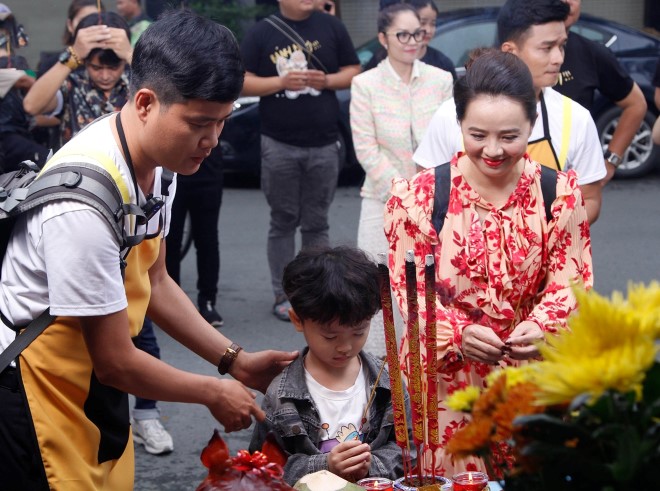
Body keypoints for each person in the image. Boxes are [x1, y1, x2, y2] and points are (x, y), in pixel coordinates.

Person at [0, 9, 297, 490]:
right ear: (144, 102)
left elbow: (155, 282)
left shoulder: (161, 160)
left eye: (223, 122)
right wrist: (212, 391)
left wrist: (233, 359)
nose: (212, 140)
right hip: (38, 390)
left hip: (95, 386)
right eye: (200, 122)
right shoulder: (82, 206)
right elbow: (116, 361)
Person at [384, 47, 593, 477]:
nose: (493, 151)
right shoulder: (419, 198)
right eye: (477, 135)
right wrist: (458, 333)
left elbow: (571, 280)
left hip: (530, 379)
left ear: (531, 126)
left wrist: (542, 325)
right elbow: (408, 291)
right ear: (458, 124)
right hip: (446, 388)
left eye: (510, 137)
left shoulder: (558, 193)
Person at [413, 0, 606, 224]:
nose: (558, 58)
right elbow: (425, 193)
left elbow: (590, 200)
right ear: (510, 50)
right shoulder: (451, 113)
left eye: (562, 46)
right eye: (547, 48)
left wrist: (543, 236)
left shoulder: (577, 118)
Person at [249, 246, 413, 485]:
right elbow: (262, 467)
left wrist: (372, 465)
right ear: (298, 320)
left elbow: (410, 450)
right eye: (330, 337)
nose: (345, 347)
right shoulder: (282, 396)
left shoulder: (388, 381)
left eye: (358, 332)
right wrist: (326, 466)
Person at [240, 0, 361, 322]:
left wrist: (327, 81)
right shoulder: (262, 32)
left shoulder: (331, 25)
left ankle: (316, 291)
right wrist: (281, 82)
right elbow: (242, 80)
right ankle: (283, 294)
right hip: (278, 144)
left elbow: (353, 70)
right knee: (283, 221)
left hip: (324, 144)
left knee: (316, 222)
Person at [350, 3, 452, 358]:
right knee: (381, 294)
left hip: (434, 205)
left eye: (419, 33)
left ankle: (428, 376)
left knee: (430, 290)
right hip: (380, 202)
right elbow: (366, 150)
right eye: (403, 34)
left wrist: (427, 196)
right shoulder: (365, 84)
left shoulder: (441, 81)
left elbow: (448, 146)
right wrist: (404, 193)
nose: (413, 41)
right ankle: (384, 386)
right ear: (383, 38)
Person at [555, 0, 646, 183]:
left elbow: (636, 104)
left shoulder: (591, 52)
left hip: (573, 187)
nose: (567, 3)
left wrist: (611, 161)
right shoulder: (512, 53)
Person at [24, 11, 132, 146]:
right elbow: (31, 106)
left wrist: (130, 54)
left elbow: (165, 97)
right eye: (96, 68)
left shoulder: (138, 82)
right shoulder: (73, 84)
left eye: (113, 68)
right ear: (85, 62)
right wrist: (73, 54)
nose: (105, 76)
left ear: (123, 62)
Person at [165, 149, 225, 329]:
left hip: (208, 170)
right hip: (172, 168)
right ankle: (171, 303)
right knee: (170, 239)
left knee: (207, 238)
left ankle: (207, 301)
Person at [0, 5, 50, 170]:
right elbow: (26, 81)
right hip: (6, 137)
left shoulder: (17, 63)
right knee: (48, 162)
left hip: (19, 135)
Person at [364, 0, 457, 80]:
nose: (428, 30)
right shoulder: (377, 64)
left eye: (433, 23)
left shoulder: (443, 65)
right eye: (422, 22)